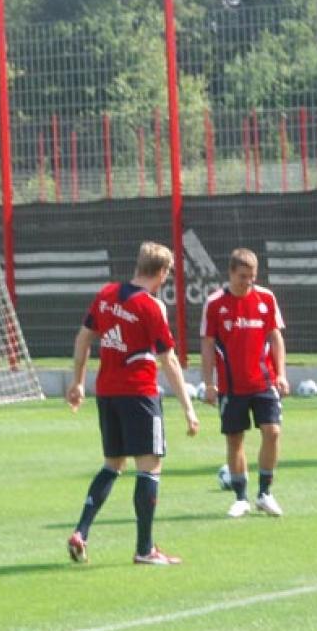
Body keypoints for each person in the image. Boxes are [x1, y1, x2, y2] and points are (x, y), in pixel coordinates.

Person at [66, 242, 199, 565]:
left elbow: (84, 337)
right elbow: (168, 359)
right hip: (139, 394)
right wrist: (188, 408)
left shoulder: (106, 295)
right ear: (163, 272)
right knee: (149, 468)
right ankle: (144, 549)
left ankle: (81, 531)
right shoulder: (151, 307)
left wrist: (79, 382)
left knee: (113, 464)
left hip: (107, 393)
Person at [200, 248, 289, 518]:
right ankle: (241, 498)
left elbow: (275, 338)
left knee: (272, 432)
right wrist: (209, 383)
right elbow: (207, 345)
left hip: (264, 382)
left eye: (252, 277)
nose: (247, 282)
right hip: (231, 386)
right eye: (242, 276)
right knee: (235, 440)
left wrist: (282, 374)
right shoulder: (215, 303)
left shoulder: (266, 298)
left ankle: (265, 493)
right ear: (230, 273)